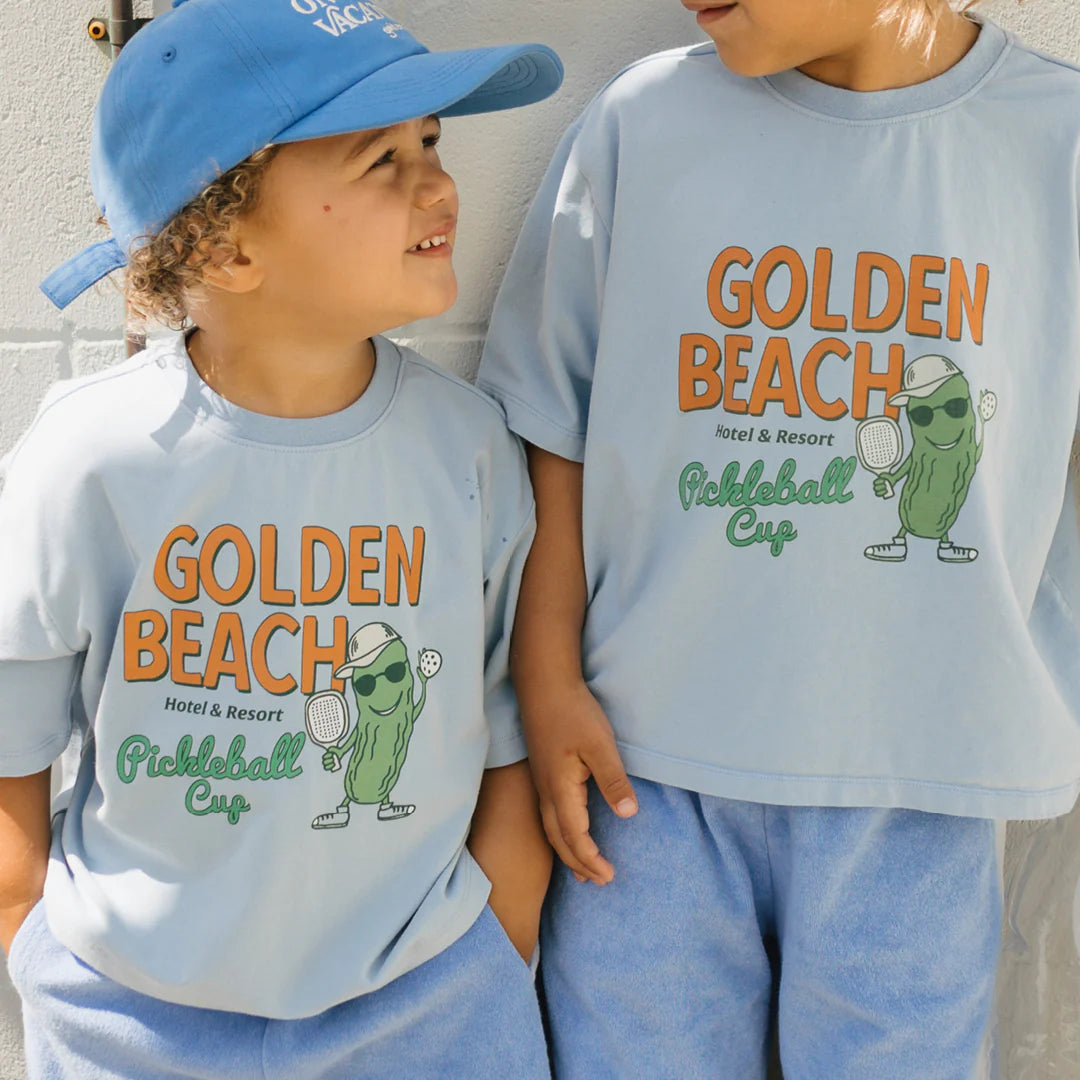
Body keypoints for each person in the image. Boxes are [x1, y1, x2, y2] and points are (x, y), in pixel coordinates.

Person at [477, 0, 1080, 1076]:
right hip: (639, 778)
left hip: (924, 789)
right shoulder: (642, 126)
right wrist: (546, 677)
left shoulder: (1056, 142)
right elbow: (549, 425)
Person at [0, 2, 562, 1077]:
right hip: (132, 1025)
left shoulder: (466, 450)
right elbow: (9, 742)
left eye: (430, 144)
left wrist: (495, 949)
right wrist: (36, 948)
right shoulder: (91, 456)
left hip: (426, 1012)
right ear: (224, 241)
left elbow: (504, 734)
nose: (437, 184)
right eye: (379, 159)